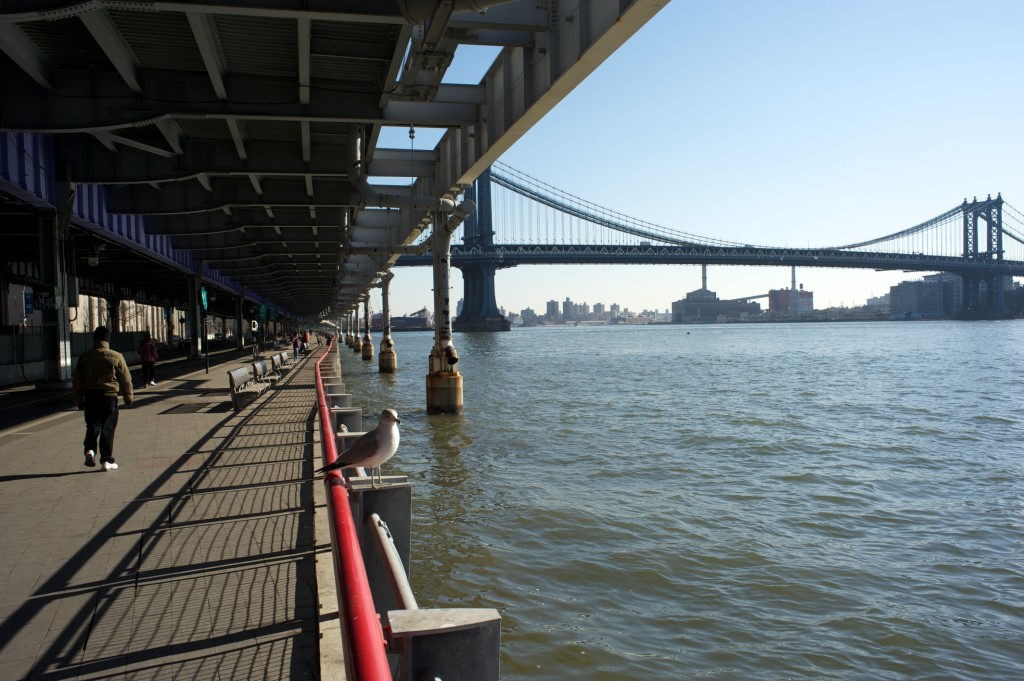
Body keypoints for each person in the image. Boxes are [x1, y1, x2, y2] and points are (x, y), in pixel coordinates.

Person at [73, 325, 134, 471]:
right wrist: (128, 397)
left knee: (92, 425)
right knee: (108, 428)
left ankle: (90, 450)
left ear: (94, 339)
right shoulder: (116, 356)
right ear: (108, 339)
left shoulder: (84, 357)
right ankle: (106, 460)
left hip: (90, 396)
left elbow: (77, 381)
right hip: (109, 397)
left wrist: (79, 401)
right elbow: (126, 379)